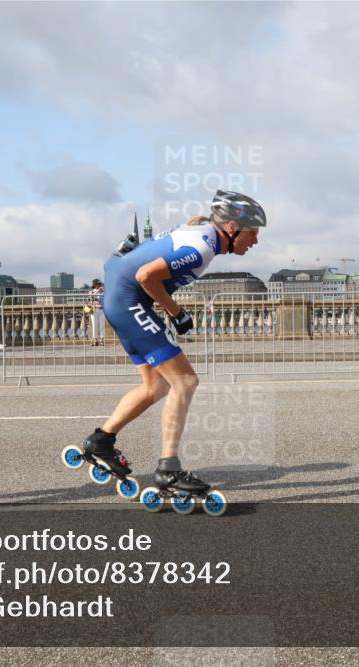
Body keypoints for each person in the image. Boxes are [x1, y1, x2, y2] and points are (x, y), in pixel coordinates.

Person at [82, 190, 266, 502]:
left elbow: (122, 265)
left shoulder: (199, 232)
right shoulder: (201, 247)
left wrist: (118, 259)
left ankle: (101, 441)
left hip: (120, 300)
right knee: (185, 381)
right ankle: (169, 469)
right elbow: (146, 275)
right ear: (233, 229)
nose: (256, 241)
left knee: (155, 386)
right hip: (129, 302)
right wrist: (176, 311)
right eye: (254, 233)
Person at [88, 278, 106, 346]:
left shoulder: (103, 292)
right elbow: (92, 297)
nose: (99, 285)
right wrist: (98, 291)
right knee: (94, 325)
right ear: (95, 285)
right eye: (98, 284)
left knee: (102, 325)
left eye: (99, 284)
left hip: (102, 309)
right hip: (94, 310)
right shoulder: (91, 291)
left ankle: (102, 339)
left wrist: (103, 291)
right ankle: (95, 339)